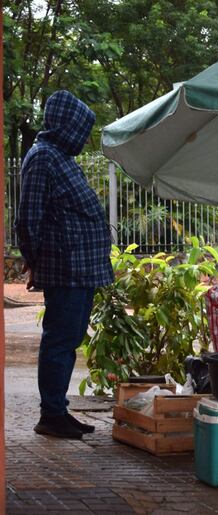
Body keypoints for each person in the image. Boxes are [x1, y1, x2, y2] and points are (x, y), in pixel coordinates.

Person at [15, 91, 114, 439]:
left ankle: (58, 410)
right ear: (65, 124)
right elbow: (28, 217)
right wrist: (33, 259)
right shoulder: (42, 157)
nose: (83, 137)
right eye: (80, 129)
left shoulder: (61, 158)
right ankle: (51, 415)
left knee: (68, 340)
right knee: (59, 340)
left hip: (81, 268)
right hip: (66, 268)